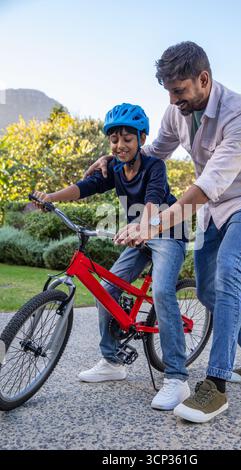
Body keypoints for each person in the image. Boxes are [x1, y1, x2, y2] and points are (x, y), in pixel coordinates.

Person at [85, 42, 241, 424]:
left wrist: (153, 223)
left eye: (179, 91)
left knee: (226, 275)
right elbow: (154, 151)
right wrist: (115, 157)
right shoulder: (177, 112)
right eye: (169, 92)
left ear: (203, 79)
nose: (173, 100)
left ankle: (216, 385)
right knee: (207, 291)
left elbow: (210, 183)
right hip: (211, 209)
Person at [33, 103, 191, 411]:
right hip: (137, 233)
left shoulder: (154, 165)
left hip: (167, 233)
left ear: (141, 139)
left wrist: (140, 225)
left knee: (161, 292)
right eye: (114, 139)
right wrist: (50, 198)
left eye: (127, 139)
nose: (119, 145)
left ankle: (176, 378)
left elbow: (152, 201)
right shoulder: (115, 169)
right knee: (107, 291)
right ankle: (112, 361)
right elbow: (84, 187)